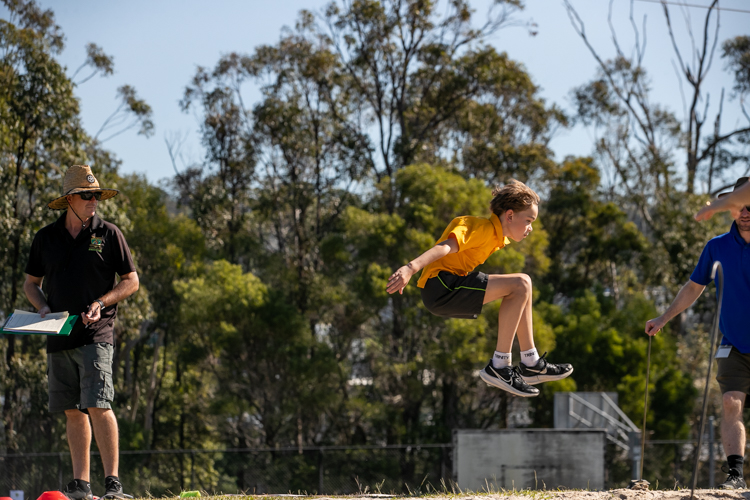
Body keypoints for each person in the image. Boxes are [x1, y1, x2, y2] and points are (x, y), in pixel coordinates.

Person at [386, 179, 573, 397]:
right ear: (510, 216)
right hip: (441, 286)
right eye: (528, 221)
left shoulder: (496, 236)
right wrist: (410, 268)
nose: (530, 228)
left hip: (446, 289)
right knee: (521, 283)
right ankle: (500, 365)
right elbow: (445, 247)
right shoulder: (481, 228)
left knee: (524, 286)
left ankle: (531, 362)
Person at [23, 165, 139, 500]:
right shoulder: (45, 238)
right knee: (73, 410)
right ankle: (80, 486)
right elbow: (31, 284)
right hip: (59, 336)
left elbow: (131, 281)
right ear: (70, 199)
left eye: (97, 195)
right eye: (87, 195)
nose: (94, 200)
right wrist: (43, 307)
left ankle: (113, 485)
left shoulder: (109, 233)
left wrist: (101, 302)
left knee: (99, 404)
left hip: (96, 334)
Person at [646, 176, 750, 489]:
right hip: (733, 344)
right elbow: (694, 287)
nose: (745, 212)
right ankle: (735, 475)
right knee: (730, 402)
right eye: (740, 206)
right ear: (731, 209)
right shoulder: (716, 247)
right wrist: (664, 317)